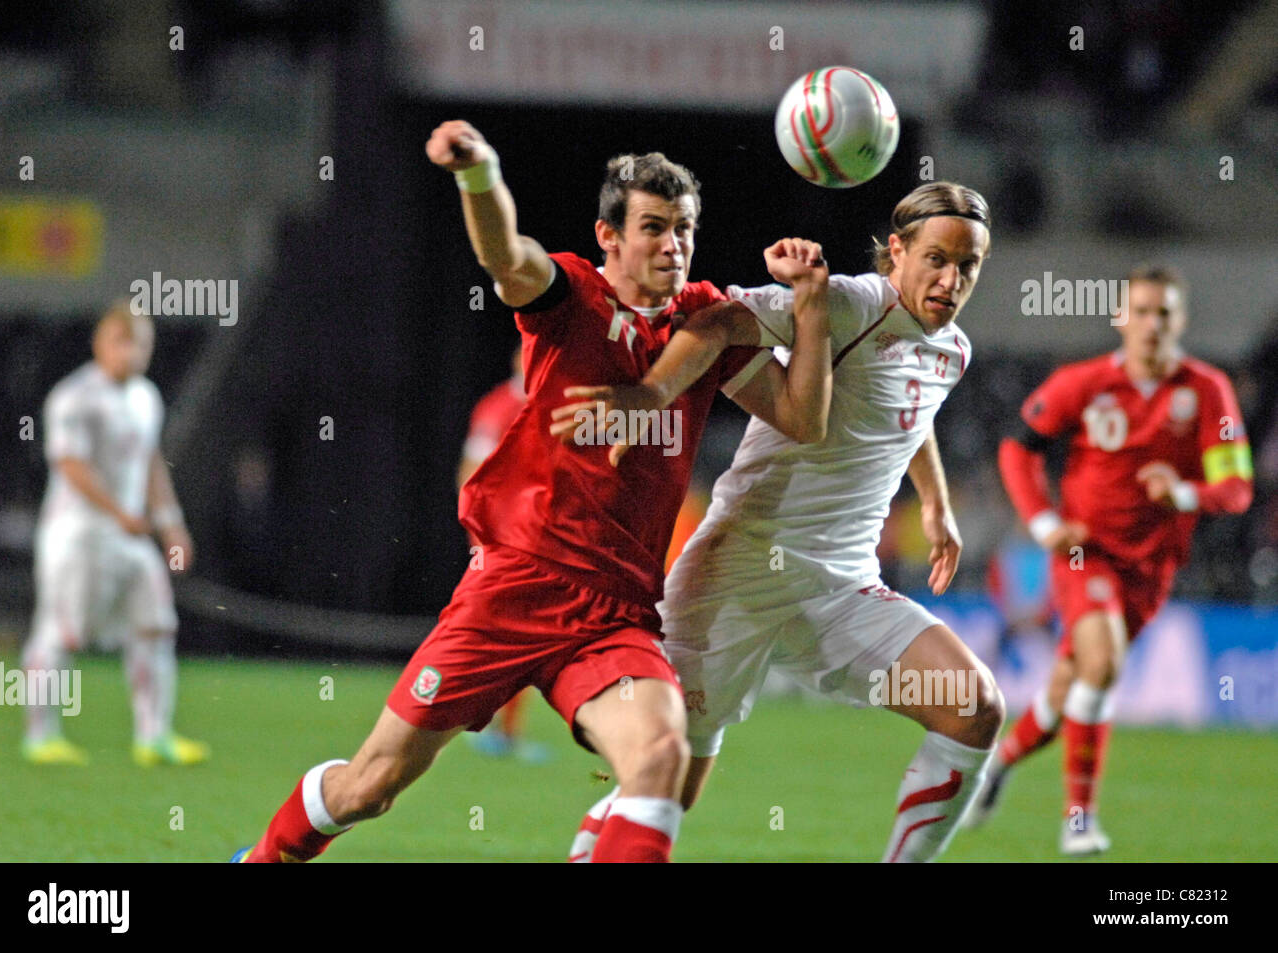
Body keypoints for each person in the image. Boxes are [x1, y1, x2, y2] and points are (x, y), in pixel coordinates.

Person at [233, 120, 835, 863]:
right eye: (652, 227)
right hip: (514, 588)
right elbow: (505, 254)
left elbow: (803, 419)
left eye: (683, 228)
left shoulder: (702, 324)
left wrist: (808, 307)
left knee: (661, 755)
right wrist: (478, 175)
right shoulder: (573, 300)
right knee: (373, 783)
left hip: (614, 611)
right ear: (608, 236)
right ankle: (264, 858)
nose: (672, 244)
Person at [559, 182, 1004, 863]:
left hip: (841, 589)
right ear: (897, 251)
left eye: (968, 266)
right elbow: (715, 322)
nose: (951, 279)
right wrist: (649, 394)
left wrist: (936, 501)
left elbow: (912, 415)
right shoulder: (850, 302)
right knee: (667, 786)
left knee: (974, 708)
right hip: (737, 576)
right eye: (936, 258)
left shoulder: (952, 349)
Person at [969, 265, 1253, 854]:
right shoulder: (1084, 382)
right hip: (1083, 553)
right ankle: (1079, 820)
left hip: (1151, 569)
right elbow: (1019, 448)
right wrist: (1045, 523)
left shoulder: (1207, 391)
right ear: (1121, 319)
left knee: (1069, 685)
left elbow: (1237, 488)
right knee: (1100, 666)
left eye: (1164, 314)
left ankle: (996, 765)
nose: (1152, 325)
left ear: (1181, 322)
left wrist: (1183, 493)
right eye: (1142, 312)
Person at [22, 301, 208, 767]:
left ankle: (153, 736)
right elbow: (69, 464)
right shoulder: (74, 396)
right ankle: (40, 735)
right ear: (100, 344)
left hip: (128, 534)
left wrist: (172, 525)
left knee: (156, 625)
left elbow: (149, 462)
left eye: (141, 343)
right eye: (122, 341)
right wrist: (118, 512)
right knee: (62, 632)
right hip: (77, 534)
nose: (132, 352)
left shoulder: (146, 397)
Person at [456, 343, 548, 762]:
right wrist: (484, 534)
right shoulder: (499, 408)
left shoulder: (548, 403)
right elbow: (472, 472)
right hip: (504, 537)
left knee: (528, 632)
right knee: (502, 630)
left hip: (538, 536)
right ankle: (478, 722)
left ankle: (505, 731)